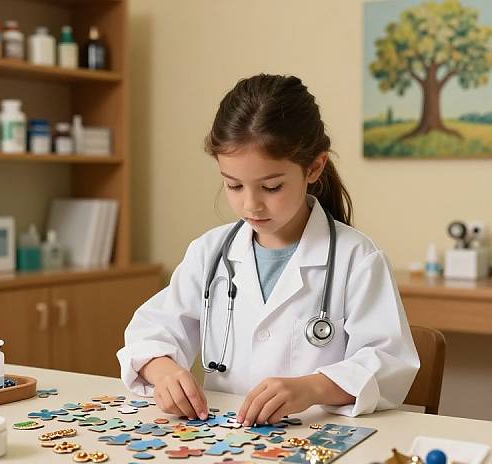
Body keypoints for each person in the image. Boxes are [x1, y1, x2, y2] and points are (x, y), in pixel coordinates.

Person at [117, 73, 419, 426]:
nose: (251, 205)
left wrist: (313, 388)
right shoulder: (210, 252)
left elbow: (389, 362)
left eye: (271, 187)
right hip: (225, 443)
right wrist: (163, 370)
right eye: (233, 185)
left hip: (313, 440)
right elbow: (151, 331)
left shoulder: (357, 259)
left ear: (314, 167)